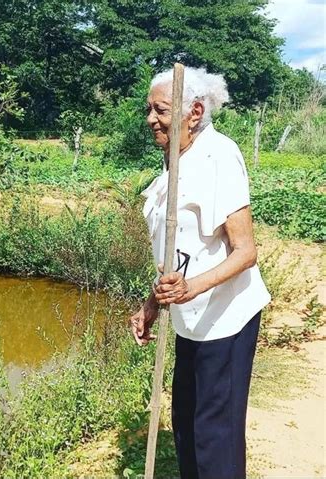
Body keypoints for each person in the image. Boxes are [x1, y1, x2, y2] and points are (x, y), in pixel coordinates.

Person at [130, 67, 271, 479]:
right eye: (149, 110)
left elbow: (246, 252)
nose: (150, 119)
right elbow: (176, 256)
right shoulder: (176, 162)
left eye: (160, 110)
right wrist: (152, 305)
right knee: (188, 424)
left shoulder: (219, 155)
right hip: (191, 319)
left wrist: (193, 287)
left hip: (225, 319)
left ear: (193, 111)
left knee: (215, 434)